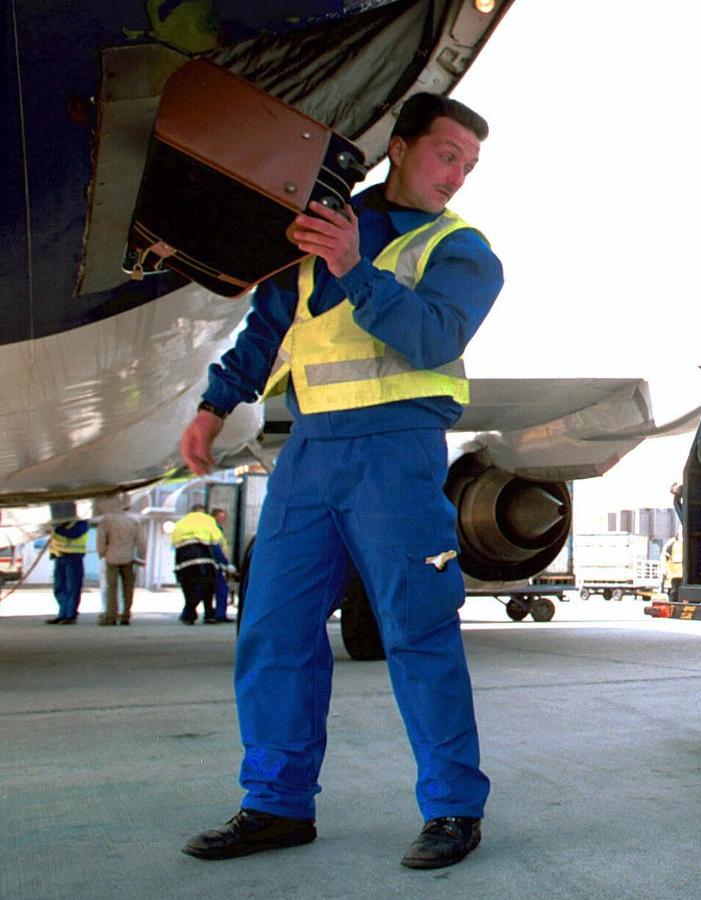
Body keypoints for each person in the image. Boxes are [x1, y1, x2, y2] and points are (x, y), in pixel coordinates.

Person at [176, 93, 500, 870]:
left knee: (417, 627)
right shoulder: (319, 235)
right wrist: (214, 407)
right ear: (401, 147)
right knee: (273, 629)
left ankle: (454, 808)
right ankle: (276, 804)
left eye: (469, 164)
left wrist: (354, 268)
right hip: (310, 455)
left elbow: (432, 336)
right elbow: (270, 329)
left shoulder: (462, 250)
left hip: (398, 451)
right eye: (446, 154)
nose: (456, 175)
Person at [95, 496, 145, 625]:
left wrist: (101, 553)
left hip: (111, 557)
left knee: (112, 587)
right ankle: (126, 615)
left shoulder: (107, 520)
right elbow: (142, 542)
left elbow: (101, 539)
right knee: (128, 588)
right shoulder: (134, 521)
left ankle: (111, 616)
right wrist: (142, 557)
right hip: (128, 558)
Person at [170, 504, 223, 624]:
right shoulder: (207, 519)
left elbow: (173, 542)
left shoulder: (180, 522)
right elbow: (216, 539)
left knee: (188, 587)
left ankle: (190, 615)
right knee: (207, 586)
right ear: (203, 512)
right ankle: (209, 615)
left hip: (182, 558)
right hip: (201, 555)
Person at [44, 515, 89, 624]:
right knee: (59, 587)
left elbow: (73, 534)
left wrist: (56, 528)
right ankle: (62, 613)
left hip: (73, 557)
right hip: (59, 556)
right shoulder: (58, 522)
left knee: (72, 587)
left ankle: (70, 615)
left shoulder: (81, 523)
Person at [209, 508, 233, 624]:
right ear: (214, 517)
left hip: (213, 564)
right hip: (215, 564)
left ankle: (187, 613)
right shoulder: (214, 529)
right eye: (221, 517)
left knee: (205, 590)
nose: (223, 519)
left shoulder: (216, 528)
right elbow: (216, 547)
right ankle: (220, 614)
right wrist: (226, 563)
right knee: (222, 589)